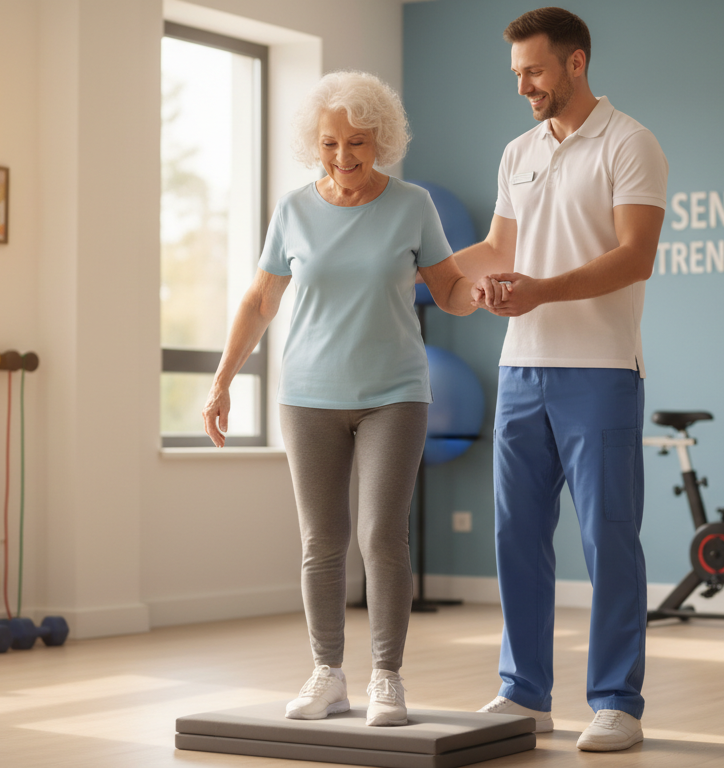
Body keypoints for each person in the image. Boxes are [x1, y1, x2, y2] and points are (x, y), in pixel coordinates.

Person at [202, 71, 475, 727]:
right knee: (321, 540)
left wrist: (485, 294)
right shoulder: (294, 210)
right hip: (308, 394)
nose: (343, 156)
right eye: (330, 143)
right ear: (314, 143)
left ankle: (387, 677)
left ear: (382, 139)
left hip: (395, 393)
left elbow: (449, 290)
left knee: (382, 534)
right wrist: (222, 380)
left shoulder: (412, 205)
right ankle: (328, 674)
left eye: (357, 142)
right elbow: (260, 301)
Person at [454, 7, 668, 753]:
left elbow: (635, 256)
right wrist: (439, 275)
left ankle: (616, 702)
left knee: (609, 538)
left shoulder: (630, 143)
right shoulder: (518, 152)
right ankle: (524, 693)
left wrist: (541, 290)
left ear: (576, 62)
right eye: (517, 74)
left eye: (535, 71)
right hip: (521, 369)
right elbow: (499, 247)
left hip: (601, 371)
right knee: (516, 536)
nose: (524, 87)